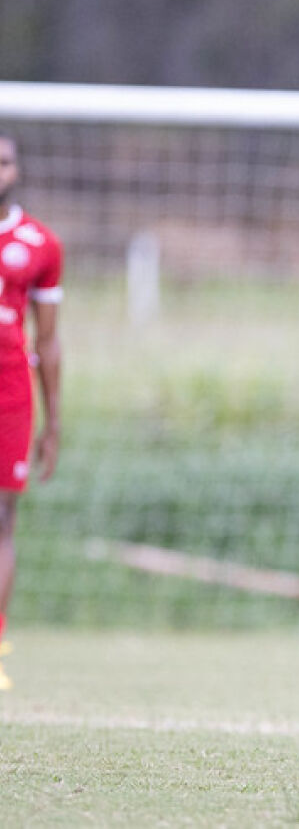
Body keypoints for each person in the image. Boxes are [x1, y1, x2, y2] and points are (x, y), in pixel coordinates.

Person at [0, 129, 64, 691]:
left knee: (2, 524)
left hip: (10, 395)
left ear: (15, 170)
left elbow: (49, 341)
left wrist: (54, 422)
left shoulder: (39, 244)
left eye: (3, 163)